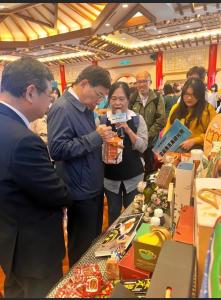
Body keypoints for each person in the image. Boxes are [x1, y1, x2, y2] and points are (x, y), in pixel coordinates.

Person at [0, 57, 73, 298]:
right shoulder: (24, 140)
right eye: (49, 95)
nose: (51, 102)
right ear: (31, 92)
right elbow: (55, 194)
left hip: (9, 238)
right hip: (34, 251)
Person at [47, 65, 113, 267]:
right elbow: (57, 149)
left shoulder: (85, 107)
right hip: (79, 189)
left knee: (92, 240)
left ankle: (89, 280)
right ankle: (78, 283)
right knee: (80, 245)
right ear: (84, 84)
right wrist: (96, 137)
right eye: (98, 94)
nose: (99, 100)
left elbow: (82, 141)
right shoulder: (62, 108)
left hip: (91, 185)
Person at [100, 82, 148, 225]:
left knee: (132, 213)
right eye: (114, 99)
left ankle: (131, 245)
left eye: (122, 99)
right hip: (110, 178)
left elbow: (143, 147)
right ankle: (113, 245)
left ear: (128, 100)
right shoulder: (102, 120)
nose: (117, 103)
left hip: (133, 177)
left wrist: (128, 130)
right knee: (113, 212)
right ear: (109, 100)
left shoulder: (137, 119)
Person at [164, 77, 217, 151]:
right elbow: (168, 130)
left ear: (200, 95)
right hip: (174, 151)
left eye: (194, 95)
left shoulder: (208, 110)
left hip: (197, 151)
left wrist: (194, 141)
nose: (189, 98)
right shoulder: (176, 108)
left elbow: (214, 134)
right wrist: (163, 149)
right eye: (186, 94)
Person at [129, 71, 166, 175]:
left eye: (144, 81)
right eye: (139, 82)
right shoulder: (132, 98)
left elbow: (161, 120)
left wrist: (147, 135)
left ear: (150, 82)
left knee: (150, 170)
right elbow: (127, 117)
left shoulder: (157, 97)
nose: (141, 84)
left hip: (151, 143)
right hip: (135, 142)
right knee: (136, 169)